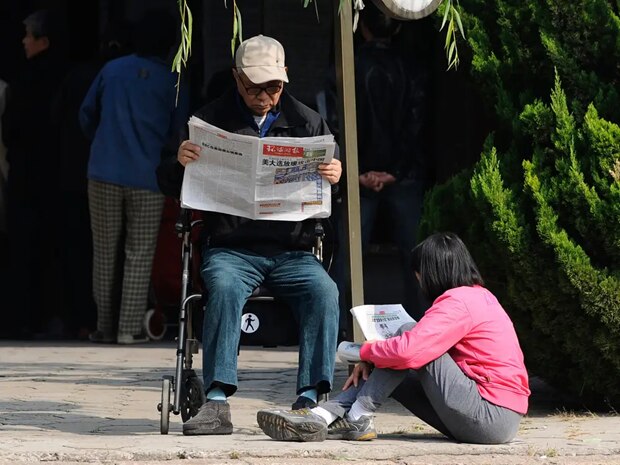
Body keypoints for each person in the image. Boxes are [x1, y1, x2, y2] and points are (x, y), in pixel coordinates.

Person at [156, 34, 343, 436]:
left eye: (273, 87)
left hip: (292, 249)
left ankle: (309, 401)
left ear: (286, 78)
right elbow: (168, 183)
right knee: (221, 287)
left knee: (324, 292)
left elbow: (327, 196)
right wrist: (180, 163)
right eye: (254, 87)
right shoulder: (208, 120)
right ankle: (217, 399)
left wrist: (334, 177)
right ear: (238, 79)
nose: (264, 96)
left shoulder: (309, 122)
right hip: (231, 249)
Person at [257, 232, 530, 444]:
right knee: (402, 356)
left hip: (489, 416)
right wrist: (377, 360)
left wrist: (365, 352)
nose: (419, 281)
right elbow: (406, 357)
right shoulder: (478, 296)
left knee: (406, 337)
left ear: (433, 272)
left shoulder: (459, 302)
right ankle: (329, 415)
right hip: (496, 419)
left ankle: (352, 415)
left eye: (419, 274)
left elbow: (409, 351)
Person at [79, 10, 188, 345]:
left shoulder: (112, 70)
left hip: (103, 171)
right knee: (139, 253)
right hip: (147, 177)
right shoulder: (172, 80)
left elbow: (86, 114)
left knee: (104, 250)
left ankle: (104, 326)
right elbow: (180, 131)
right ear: (170, 44)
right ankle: (128, 330)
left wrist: (101, 143)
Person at [330, 3, 430, 327]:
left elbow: (338, 122)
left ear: (362, 28)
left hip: (360, 175)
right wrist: (396, 171)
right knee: (414, 256)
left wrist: (356, 171)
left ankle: (343, 326)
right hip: (403, 176)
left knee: (348, 258)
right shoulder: (413, 67)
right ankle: (422, 326)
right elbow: (417, 125)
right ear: (398, 27)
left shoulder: (348, 66)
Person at [2, 9, 68, 338]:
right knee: (53, 248)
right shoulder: (64, 77)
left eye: (28, 35)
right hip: (57, 176)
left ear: (43, 41)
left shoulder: (24, 79)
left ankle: (21, 319)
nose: (23, 40)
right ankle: (53, 318)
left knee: (23, 247)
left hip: (27, 174)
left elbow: (10, 130)